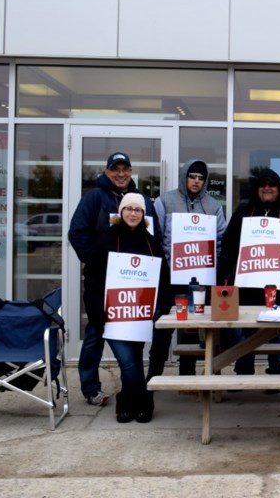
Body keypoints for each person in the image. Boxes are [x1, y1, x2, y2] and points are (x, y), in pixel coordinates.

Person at [68, 151, 160, 407]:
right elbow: (77, 233)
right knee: (97, 333)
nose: (121, 174)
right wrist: (98, 262)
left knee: (133, 337)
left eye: (125, 169)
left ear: (131, 171)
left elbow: (154, 238)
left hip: (136, 284)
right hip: (105, 284)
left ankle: (132, 390)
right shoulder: (95, 197)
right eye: (115, 169)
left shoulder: (142, 199)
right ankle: (90, 387)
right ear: (107, 172)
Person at [82, 193, 172, 423]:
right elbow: (91, 279)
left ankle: (128, 402)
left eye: (138, 210)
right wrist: (96, 313)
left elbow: (163, 277)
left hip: (140, 316)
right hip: (112, 316)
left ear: (143, 215)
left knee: (132, 360)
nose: (133, 213)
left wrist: (161, 305)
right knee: (128, 362)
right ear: (120, 212)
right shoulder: (105, 240)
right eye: (129, 208)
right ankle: (143, 401)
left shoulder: (151, 243)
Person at [218, 168, 280, 379]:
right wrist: (225, 278)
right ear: (257, 189)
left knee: (278, 332)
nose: (267, 188)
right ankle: (243, 372)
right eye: (263, 185)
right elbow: (227, 248)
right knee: (245, 333)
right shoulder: (243, 212)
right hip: (246, 288)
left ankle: (276, 373)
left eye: (272, 185)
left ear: (279, 188)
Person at [147, 159, 227, 380]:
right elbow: (155, 238)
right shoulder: (165, 201)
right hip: (171, 278)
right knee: (162, 328)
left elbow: (221, 241)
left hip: (201, 278)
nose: (196, 181)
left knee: (192, 328)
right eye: (192, 176)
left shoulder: (213, 206)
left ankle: (187, 377)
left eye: (201, 178)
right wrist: (163, 268)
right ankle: (153, 377)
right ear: (185, 177)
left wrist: (216, 270)